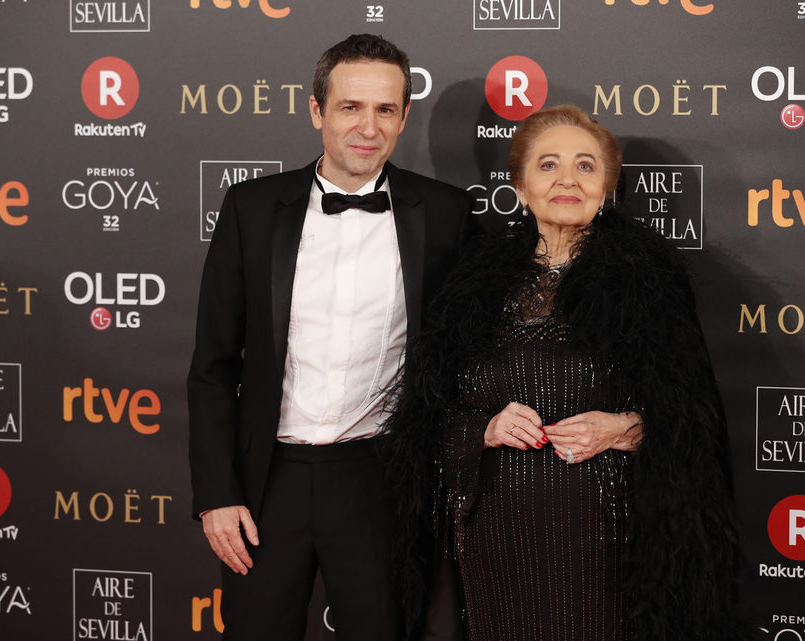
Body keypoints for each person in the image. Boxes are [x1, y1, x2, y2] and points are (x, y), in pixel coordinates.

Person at [385, 105, 752, 641]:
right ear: (520, 183)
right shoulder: (473, 283)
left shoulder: (648, 280)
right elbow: (428, 418)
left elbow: (692, 420)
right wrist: (483, 429)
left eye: (585, 166)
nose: (566, 180)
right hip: (495, 537)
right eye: (548, 164)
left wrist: (624, 428)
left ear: (607, 186)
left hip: (606, 540)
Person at [187, 34, 473, 641]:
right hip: (266, 483)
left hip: (381, 480)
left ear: (402, 117)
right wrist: (217, 495)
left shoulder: (446, 215)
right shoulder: (251, 208)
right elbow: (213, 367)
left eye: (385, 110)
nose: (368, 127)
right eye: (350, 107)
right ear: (317, 110)